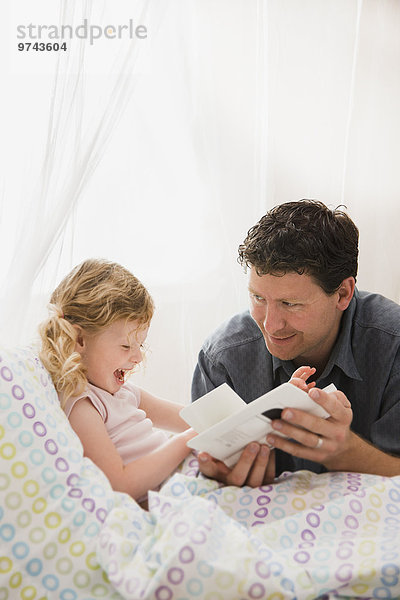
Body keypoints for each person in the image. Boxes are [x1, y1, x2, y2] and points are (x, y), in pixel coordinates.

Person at [192, 199, 400, 486]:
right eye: (258, 298)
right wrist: (219, 479)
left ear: (342, 293)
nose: (270, 324)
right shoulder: (222, 359)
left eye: (290, 303)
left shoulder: (393, 347)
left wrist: (347, 453)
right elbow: (202, 474)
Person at [39, 258, 197, 504]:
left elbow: (190, 417)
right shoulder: (83, 404)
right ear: (79, 340)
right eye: (126, 346)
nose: (137, 357)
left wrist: (224, 424)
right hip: (164, 498)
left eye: (140, 345)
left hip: (185, 479)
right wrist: (187, 441)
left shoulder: (124, 393)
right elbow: (119, 484)